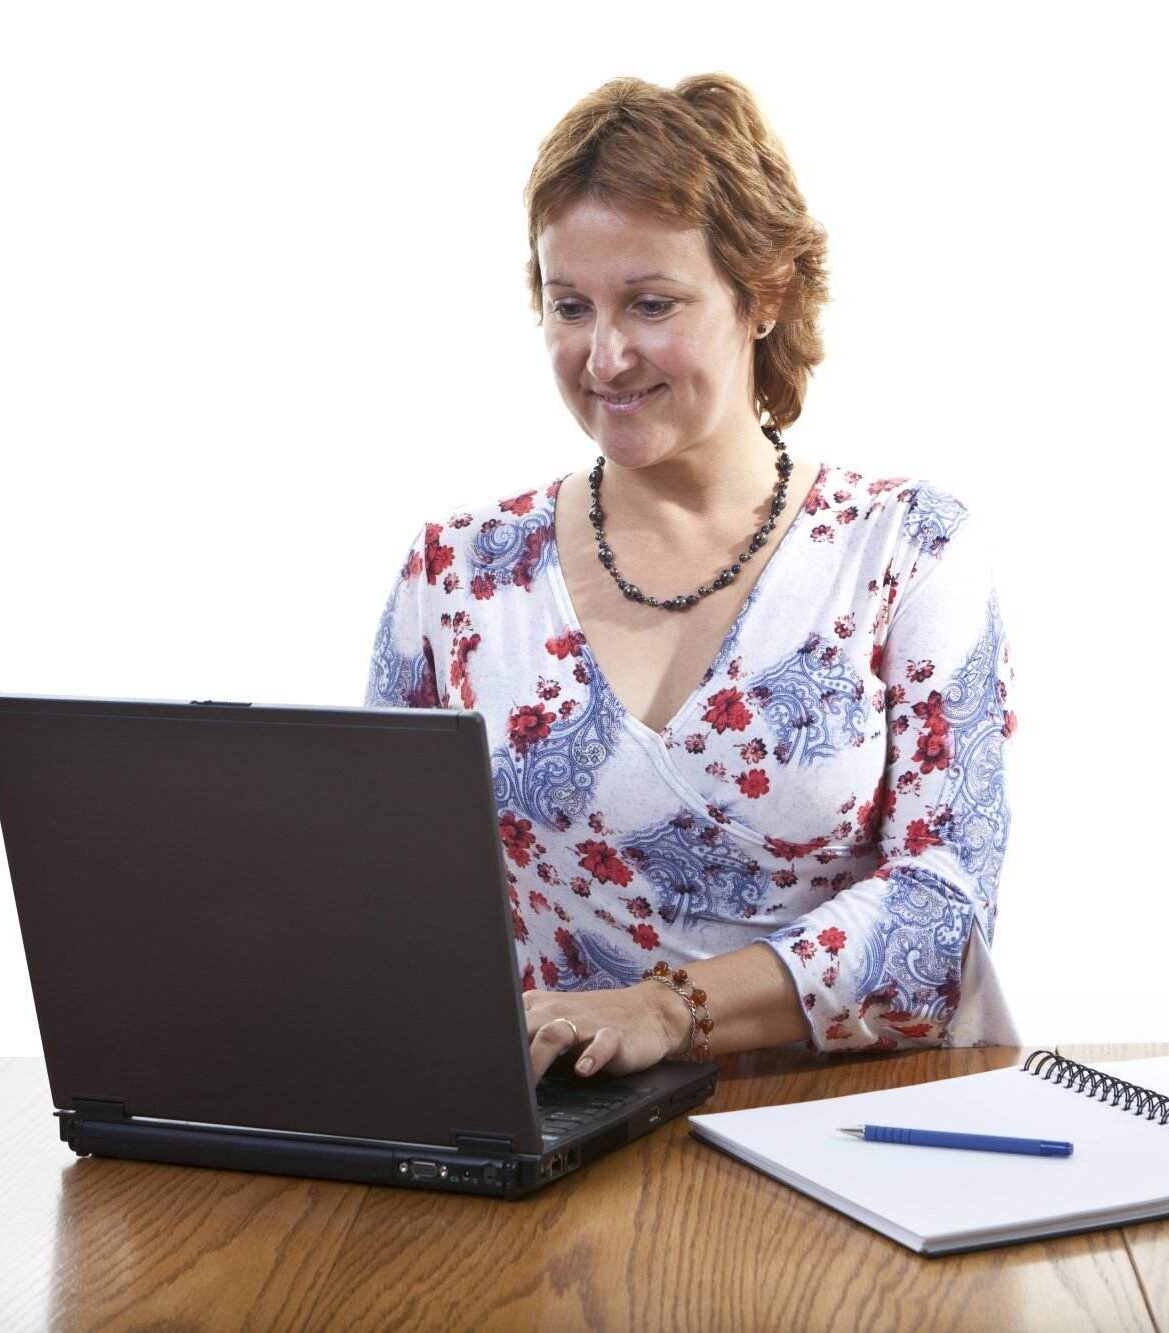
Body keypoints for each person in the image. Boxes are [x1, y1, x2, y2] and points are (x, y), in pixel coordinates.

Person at [365, 73, 1019, 1085]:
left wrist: (670, 1008)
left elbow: (949, 900)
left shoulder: (902, 549)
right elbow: (388, 902)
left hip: (852, 1130)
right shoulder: (456, 573)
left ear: (766, 297)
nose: (605, 354)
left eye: (651, 303)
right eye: (570, 305)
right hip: (563, 1148)